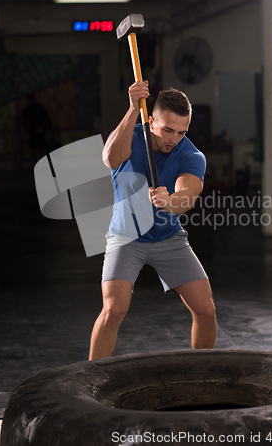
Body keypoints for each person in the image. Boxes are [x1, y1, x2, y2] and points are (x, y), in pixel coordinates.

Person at [89, 80, 217, 360]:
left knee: (206, 311)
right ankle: (90, 382)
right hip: (126, 237)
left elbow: (189, 193)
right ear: (150, 120)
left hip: (168, 238)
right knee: (113, 310)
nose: (174, 139)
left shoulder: (190, 153)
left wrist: (171, 201)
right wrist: (133, 108)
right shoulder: (131, 137)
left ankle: (203, 374)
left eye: (181, 132)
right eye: (168, 129)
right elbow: (111, 159)